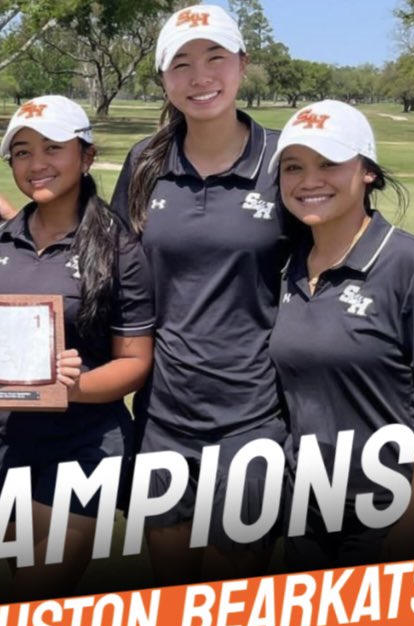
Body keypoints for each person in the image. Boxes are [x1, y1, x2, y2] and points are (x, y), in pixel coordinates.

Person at [110, 4, 290, 584]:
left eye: (215, 58)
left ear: (242, 64)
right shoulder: (145, 162)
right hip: (163, 413)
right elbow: (110, 270)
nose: (200, 75)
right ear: (164, 78)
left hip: (256, 416)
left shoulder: (286, 162)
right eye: (181, 63)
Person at [0, 96, 153, 598]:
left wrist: (68, 388)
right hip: (11, 443)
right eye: (22, 152)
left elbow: (135, 363)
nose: (37, 164)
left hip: (86, 443)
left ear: (86, 156)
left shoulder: (120, 247)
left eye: (53, 148)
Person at [267, 100, 414, 570]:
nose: (309, 180)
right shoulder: (288, 266)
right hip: (306, 510)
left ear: (366, 171)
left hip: (386, 514)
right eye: (293, 167)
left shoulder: (410, 264)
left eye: (329, 163)